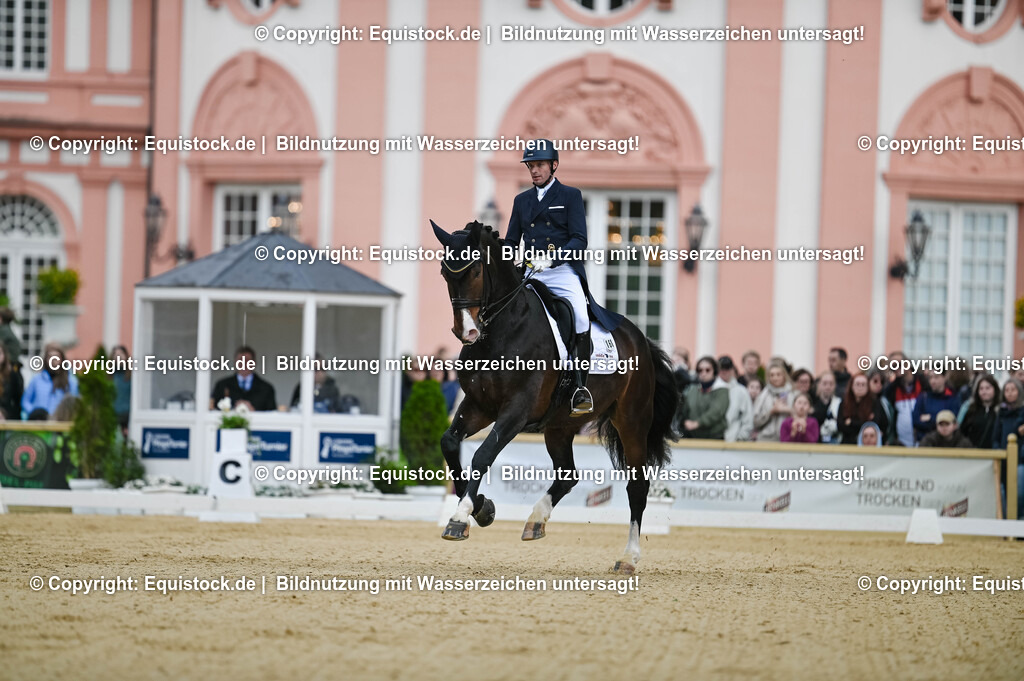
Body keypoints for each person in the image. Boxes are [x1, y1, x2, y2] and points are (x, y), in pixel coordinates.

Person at [504, 139, 623, 416]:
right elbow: (511, 240)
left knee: (580, 317)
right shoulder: (521, 201)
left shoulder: (570, 196)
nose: (534, 171)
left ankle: (580, 387)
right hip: (531, 272)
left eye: (539, 165)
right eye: (531, 166)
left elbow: (579, 239)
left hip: (561, 271)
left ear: (553, 165)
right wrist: (506, 257)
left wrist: (552, 258)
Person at [210, 345, 276, 411]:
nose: (244, 364)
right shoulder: (222, 385)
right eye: (240, 360)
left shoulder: (266, 388)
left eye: (247, 361)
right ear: (235, 362)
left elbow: (272, 413)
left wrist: (254, 410)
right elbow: (213, 408)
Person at [22, 342, 79, 418]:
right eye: (50, 357)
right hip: (39, 422)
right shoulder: (36, 379)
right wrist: (35, 413)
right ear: (45, 359)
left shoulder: (71, 381)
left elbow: (74, 403)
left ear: (62, 359)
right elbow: (25, 401)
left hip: (60, 422)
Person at [680, 356, 729, 440]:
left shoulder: (722, 390)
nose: (704, 373)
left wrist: (697, 423)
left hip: (715, 438)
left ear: (714, 371)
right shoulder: (692, 389)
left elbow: (716, 411)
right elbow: (684, 411)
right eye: (700, 370)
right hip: (693, 437)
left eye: (707, 370)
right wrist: (684, 422)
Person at [883, 353, 925, 447]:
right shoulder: (891, 389)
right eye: (893, 366)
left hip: (923, 442)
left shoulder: (923, 382)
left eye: (899, 364)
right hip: (901, 443)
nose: (897, 368)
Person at [912, 371, 961, 443]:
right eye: (930, 377)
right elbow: (915, 420)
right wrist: (940, 421)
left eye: (936, 377)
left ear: (944, 377)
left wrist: (930, 418)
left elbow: (952, 420)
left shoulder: (952, 397)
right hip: (924, 443)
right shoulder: (923, 397)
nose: (932, 381)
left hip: (946, 443)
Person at [838, 373, 887, 445]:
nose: (860, 387)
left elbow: (877, 424)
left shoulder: (875, 403)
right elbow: (840, 426)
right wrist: (865, 421)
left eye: (863, 385)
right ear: (852, 386)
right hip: (848, 444)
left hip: (869, 445)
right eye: (857, 384)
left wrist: (851, 422)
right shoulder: (844, 403)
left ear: (868, 387)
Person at [752, 359, 793, 441]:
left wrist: (788, 410)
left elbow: (800, 416)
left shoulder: (792, 394)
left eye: (778, 375)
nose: (775, 378)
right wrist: (771, 412)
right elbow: (755, 422)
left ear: (784, 376)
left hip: (786, 439)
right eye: (772, 375)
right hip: (765, 439)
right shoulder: (762, 396)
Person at [959, 374, 999, 449]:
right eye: (981, 388)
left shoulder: (1000, 411)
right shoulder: (971, 410)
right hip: (973, 452)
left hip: (994, 453)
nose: (984, 391)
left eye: (987, 388)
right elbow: (962, 432)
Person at [718, 355, 753, 442]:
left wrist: (740, 437)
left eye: (727, 368)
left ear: (732, 370)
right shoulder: (710, 389)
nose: (724, 371)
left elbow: (748, 417)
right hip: (711, 439)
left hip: (733, 439)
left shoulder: (741, 391)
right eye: (721, 368)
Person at [867, 369, 896, 445]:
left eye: (882, 382)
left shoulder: (885, 402)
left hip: (884, 444)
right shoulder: (862, 401)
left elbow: (891, 425)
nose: (879, 384)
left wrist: (889, 440)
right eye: (875, 381)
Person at [812, 370, 842, 444]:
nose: (828, 387)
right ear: (819, 384)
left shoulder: (840, 403)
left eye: (831, 384)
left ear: (835, 385)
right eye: (824, 383)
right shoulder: (812, 403)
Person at [0, 343, 23, 420]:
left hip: (8, 417)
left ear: (4, 355)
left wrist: (5, 414)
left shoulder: (13, 375)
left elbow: (18, 400)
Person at [111, 345, 131, 432]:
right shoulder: (110, 376)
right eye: (115, 354)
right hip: (112, 416)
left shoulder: (131, 375)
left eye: (121, 353)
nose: (118, 356)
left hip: (127, 416)